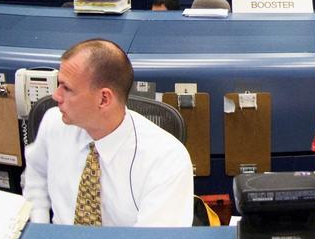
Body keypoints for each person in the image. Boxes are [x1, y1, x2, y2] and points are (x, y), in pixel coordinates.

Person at [23, 39, 193, 226]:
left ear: (104, 99)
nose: (56, 96)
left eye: (67, 88)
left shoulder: (166, 159)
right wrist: (39, 229)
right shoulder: (53, 123)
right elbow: (36, 177)